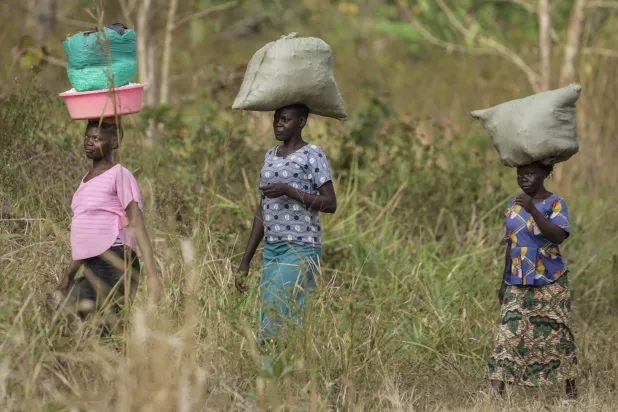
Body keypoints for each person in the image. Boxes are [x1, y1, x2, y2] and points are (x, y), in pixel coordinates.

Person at [235, 104, 337, 344]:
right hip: (272, 248)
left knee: (275, 308)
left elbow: (330, 203)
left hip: (300, 246)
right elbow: (262, 210)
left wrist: (290, 191)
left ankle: (272, 370)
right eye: (276, 119)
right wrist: (246, 260)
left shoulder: (312, 154)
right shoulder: (270, 155)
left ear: (301, 122)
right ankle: (285, 374)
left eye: (286, 120)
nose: (278, 124)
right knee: (278, 313)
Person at [50, 118, 163, 322]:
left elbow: (137, 224)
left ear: (114, 142)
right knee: (71, 316)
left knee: (74, 315)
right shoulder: (85, 180)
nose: (89, 142)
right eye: (87, 137)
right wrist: (69, 274)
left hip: (117, 262)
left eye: (97, 138)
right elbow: (88, 238)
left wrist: (152, 275)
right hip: (93, 264)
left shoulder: (119, 175)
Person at [487, 162, 578, 399]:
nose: (523, 178)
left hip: (551, 279)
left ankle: (571, 391)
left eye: (529, 174)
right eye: (520, 174)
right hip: (518, 279)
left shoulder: (556, 202)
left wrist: (534, 210)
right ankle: (495, 394)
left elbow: (558, 236)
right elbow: (512, 243)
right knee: (508, 333)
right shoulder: (513, 205)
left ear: (546, 174)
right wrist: (504, 282)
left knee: (558, 335)